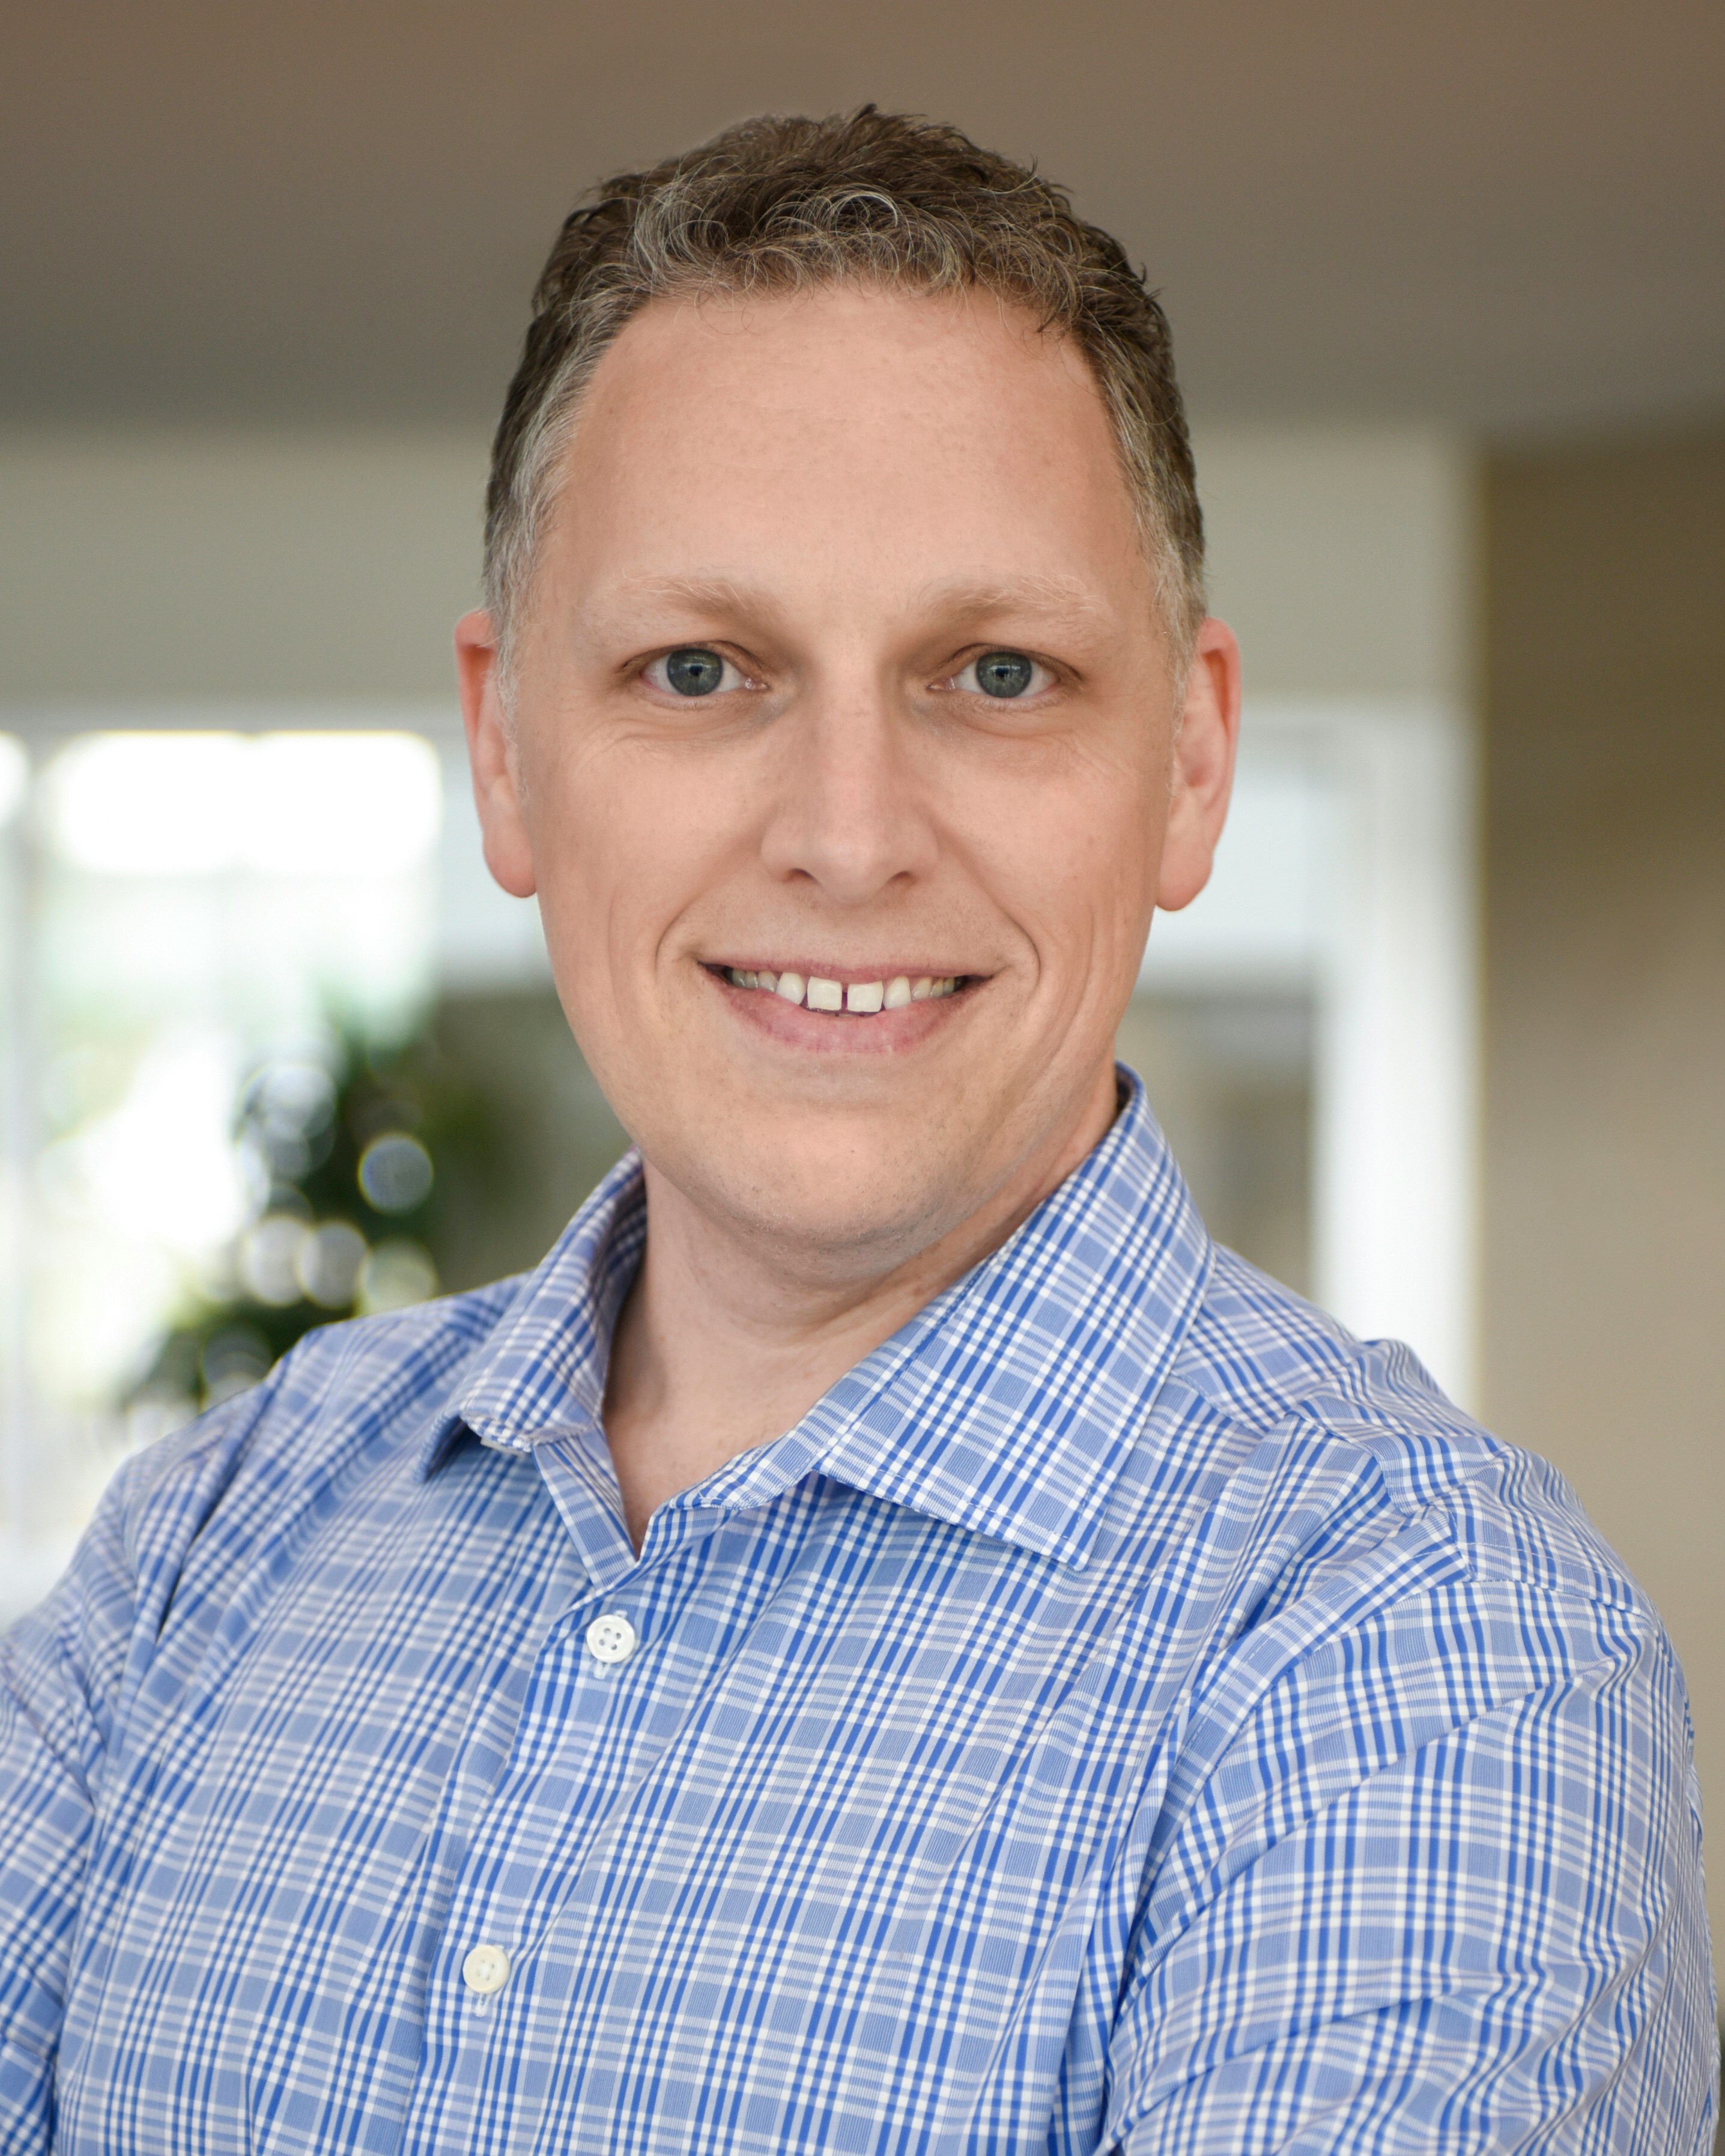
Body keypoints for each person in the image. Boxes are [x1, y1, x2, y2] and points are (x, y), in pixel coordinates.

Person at [0, 107, 1712, 2155]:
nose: (845, 836)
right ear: (506, 749)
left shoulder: (1425, 1653)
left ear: (1191, 762)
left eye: (996, 672)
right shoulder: (216, 1536)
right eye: (698, 668)